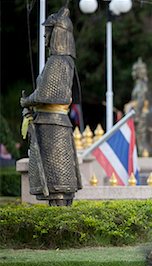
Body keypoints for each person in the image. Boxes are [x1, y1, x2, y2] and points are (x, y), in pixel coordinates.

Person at [20, 6, 82, 206]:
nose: (45, 38)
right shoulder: (64, 61)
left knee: (57, 174)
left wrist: (27, 100)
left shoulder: (58, 61)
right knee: (56, 174)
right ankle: (60, 208)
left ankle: (60, 210)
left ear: (57, 35)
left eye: (48, 34)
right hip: (54, 123)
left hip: (52, 125)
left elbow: (49, 93)